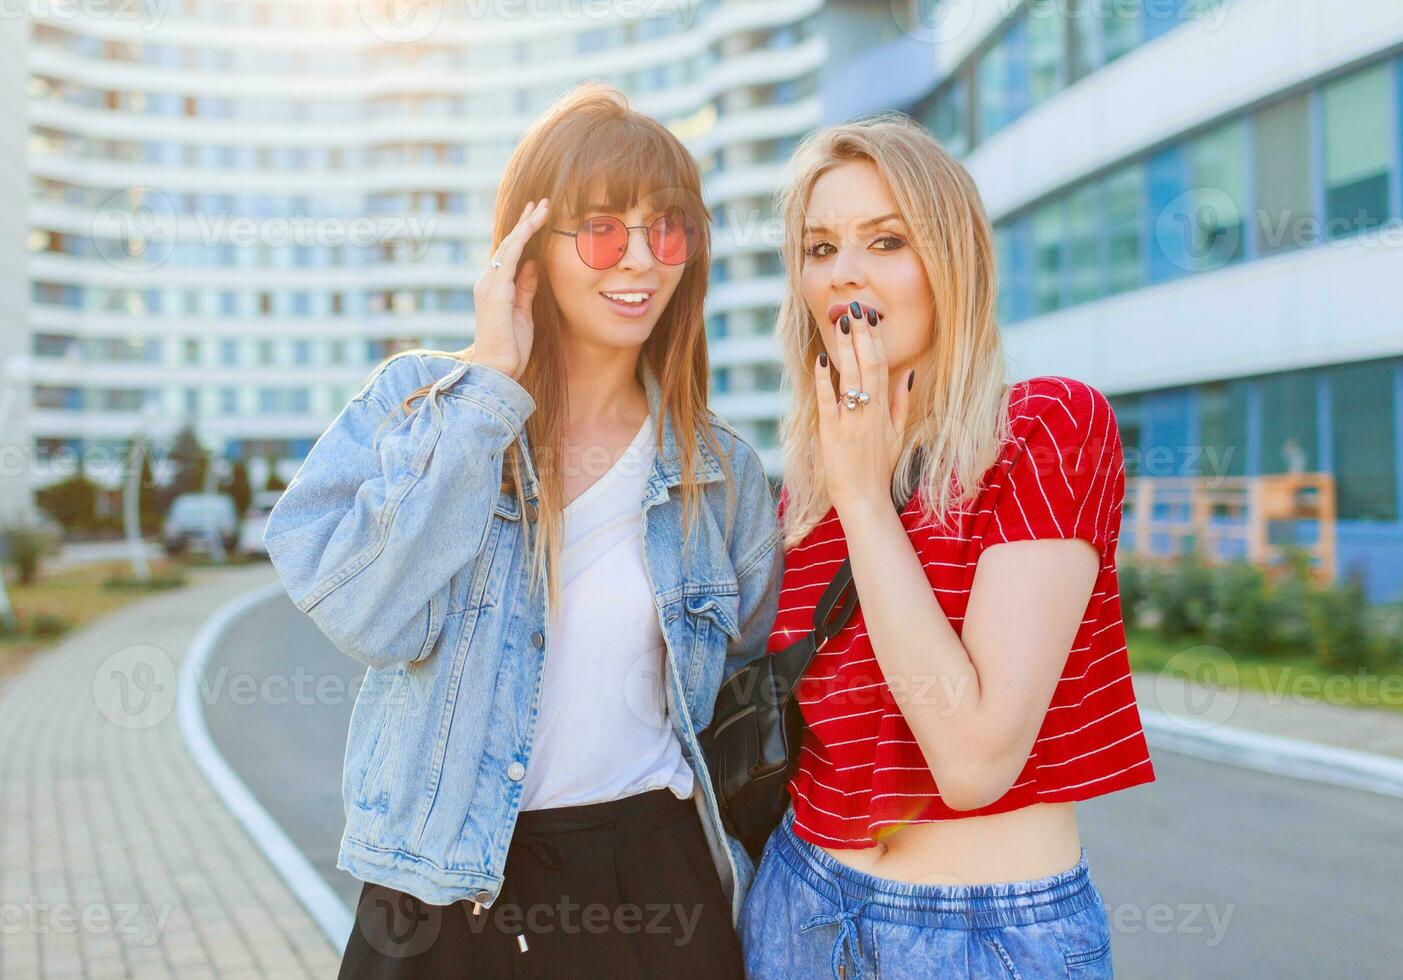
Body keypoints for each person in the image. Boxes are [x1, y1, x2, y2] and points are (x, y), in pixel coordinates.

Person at [264, 83, 782, 978]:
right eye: (602, 229)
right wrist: (489, 391)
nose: (641, 260)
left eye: (666, 228)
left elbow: (738, 686)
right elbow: (365, 614)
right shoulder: (422, 404)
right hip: (445, 896)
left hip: (651, 883)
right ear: (526, 247)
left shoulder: (720, 470)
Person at [737, 113, 1156, 979]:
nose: (845, 273)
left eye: (885, 241)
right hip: (798, 905)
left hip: (983, 934)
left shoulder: (1049, 429)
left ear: (950, 265)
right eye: (820, 249)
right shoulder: (799, 500)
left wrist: (864, 498)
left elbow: (972, 760)